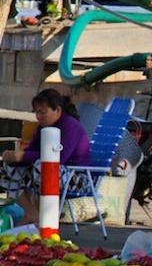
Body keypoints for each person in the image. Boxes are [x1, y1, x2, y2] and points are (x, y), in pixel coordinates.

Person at [0, 89, 91, 225]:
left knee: (42, 168)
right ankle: (31, 214)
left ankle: (47, 219)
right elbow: (31, 151)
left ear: (58, 111)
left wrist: (23, 156)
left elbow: (58, 157)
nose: (38, 116)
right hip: (48, 172)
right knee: (6, 170)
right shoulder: (41, 128)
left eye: (42, 112)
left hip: (78, 178)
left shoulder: (71, 126)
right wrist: (13, 158)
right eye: (36, 112)